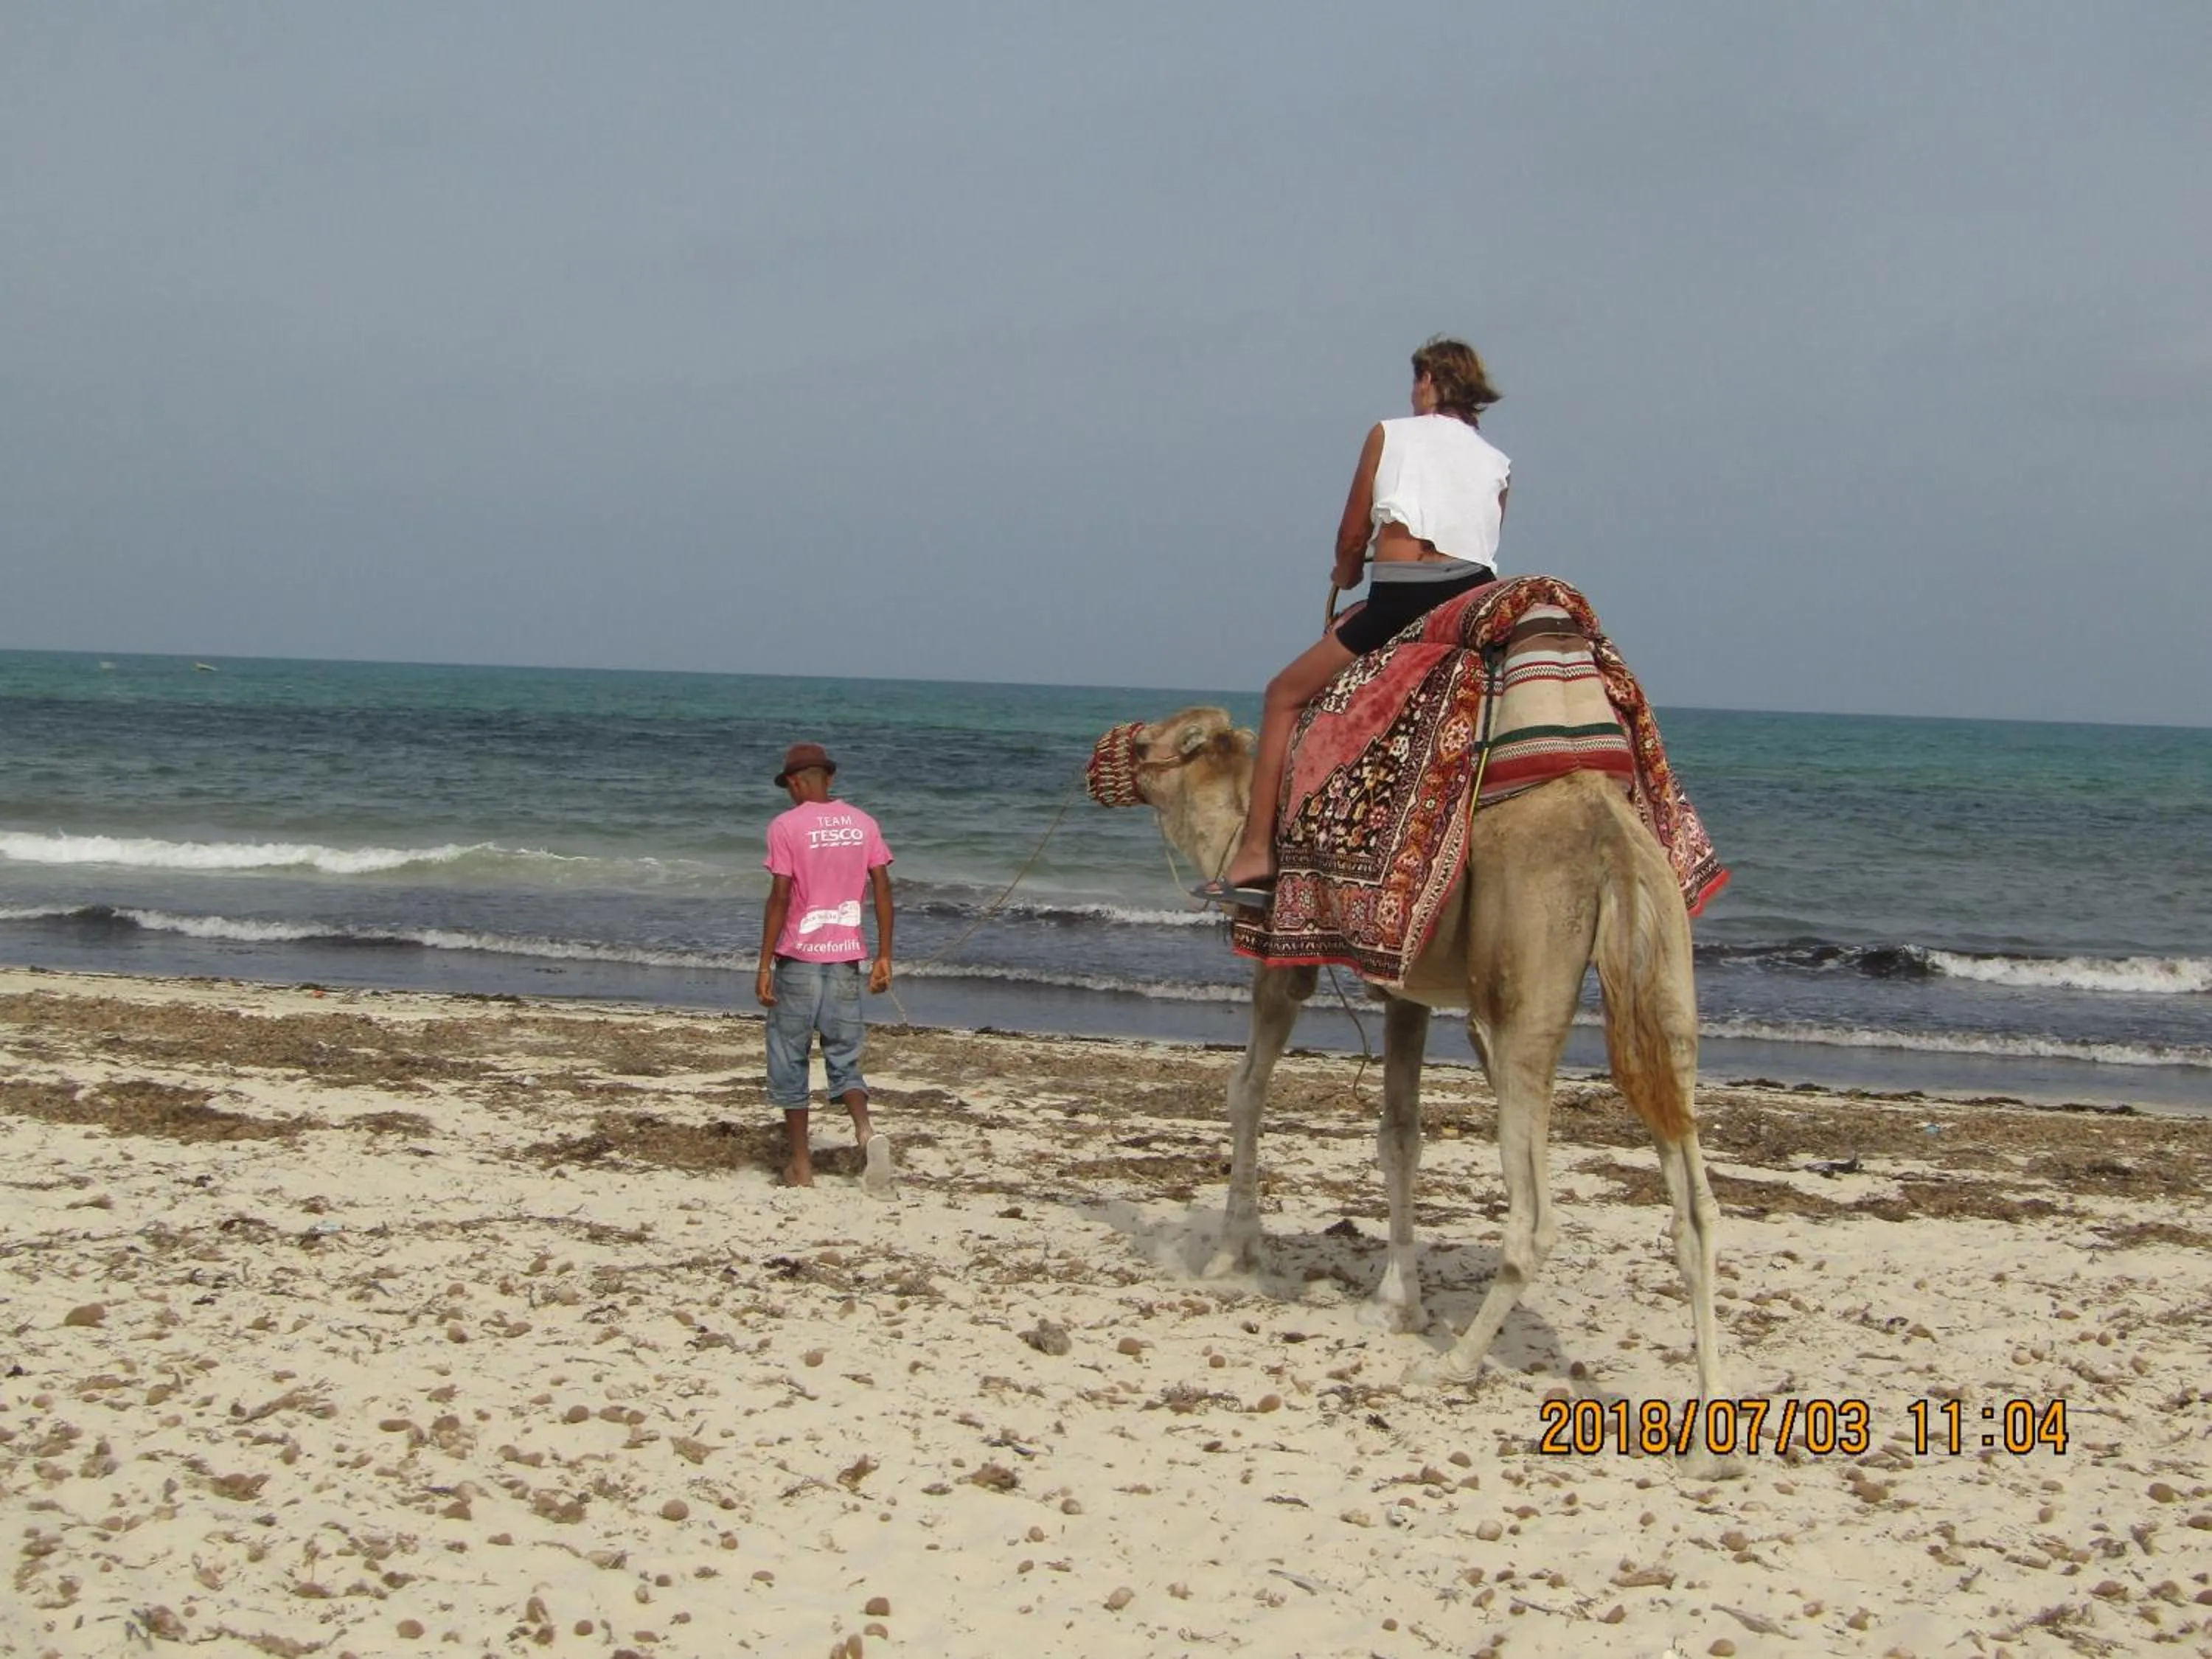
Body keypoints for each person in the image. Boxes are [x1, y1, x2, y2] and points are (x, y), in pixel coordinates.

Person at [1197, 336, 1510, 902]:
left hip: (1402, 598)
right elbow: (1486, 544)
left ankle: (1255, 855)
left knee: (1283, 695)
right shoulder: (1498, 463)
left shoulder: (1388, 434)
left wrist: (1344, 576)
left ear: (1432, 382)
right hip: (1470, 601)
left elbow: (1352, 535)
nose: (1413, 393)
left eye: (1418, 382)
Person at [755, 740, 897, 1192]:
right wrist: (884, 954)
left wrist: (763, 963)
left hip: (798, 959)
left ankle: (802, 1166)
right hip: (845, 960)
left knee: (789, 1058)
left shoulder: (785, 826)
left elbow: (780, 895)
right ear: (830, 778)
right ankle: (865, 1131)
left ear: (795, 783)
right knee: (844, 1056)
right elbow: (883, 889)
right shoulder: (863, 823)